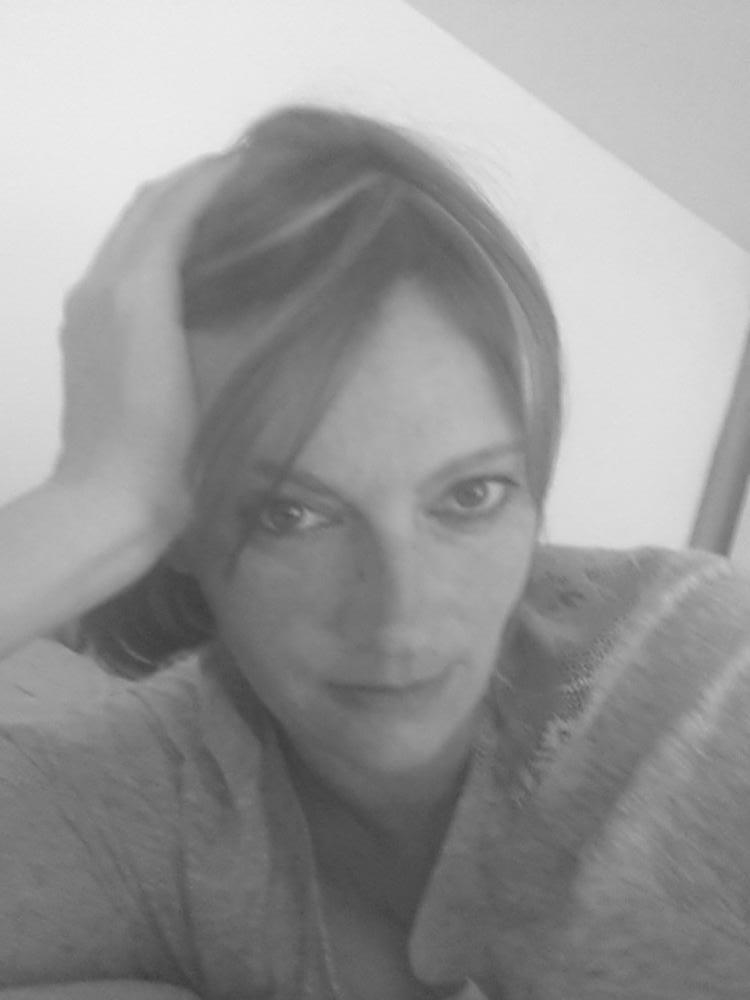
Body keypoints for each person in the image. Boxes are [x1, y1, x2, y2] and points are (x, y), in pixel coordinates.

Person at [1, 104, 749, 1000]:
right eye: (290, 513)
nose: (400, 614)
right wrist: (94, 504)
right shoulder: (148, 800)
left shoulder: (702, 679)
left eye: (470, 496)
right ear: (183, 527)